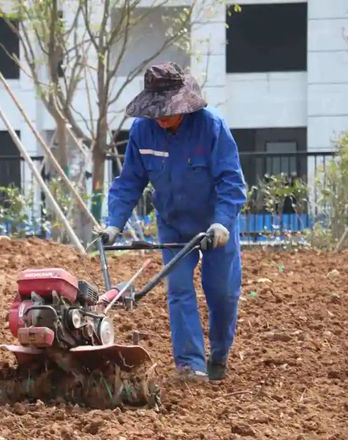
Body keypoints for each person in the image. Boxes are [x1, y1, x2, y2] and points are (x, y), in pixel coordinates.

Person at [101, 62, 247, 382]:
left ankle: (219, 352)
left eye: (168, 110)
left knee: (222, 292)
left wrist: (222, 223)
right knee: (179, 291)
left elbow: (231, 183)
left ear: (184, 103)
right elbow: (130, 181)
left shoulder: (212, 128)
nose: (162, 117)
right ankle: (191, 364)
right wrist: (114, 223)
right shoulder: (142, 131)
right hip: (173, 224)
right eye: (157, 111)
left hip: (214, 226)